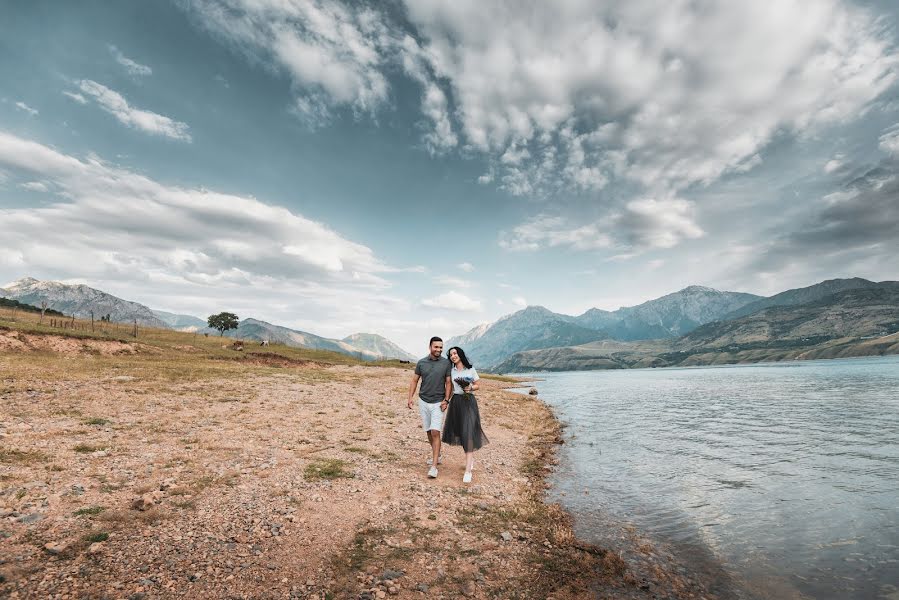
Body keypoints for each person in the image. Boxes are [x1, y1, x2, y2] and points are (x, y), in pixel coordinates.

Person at [442, 346, 488, 483]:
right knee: (461, 433)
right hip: (456, 403)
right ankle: (470, 458)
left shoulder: (470, 369)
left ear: (460, 354)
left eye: (455, 353)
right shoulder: (451, 371)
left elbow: (478, 385)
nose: (453, 356)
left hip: (469, 403)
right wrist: (446, 401)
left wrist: (470, 388)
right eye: (451, 355)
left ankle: (468, 471)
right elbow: (450, 390)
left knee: (468, 432)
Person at [407, 336, 452, 478]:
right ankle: (437, 455)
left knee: (435, 432)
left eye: (440, 347)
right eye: (436, 347)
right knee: (428, 431)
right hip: (423, 401)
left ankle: (433, 467)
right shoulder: (421, 363)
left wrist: (446, 400)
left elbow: (449, 383)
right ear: (430, 347)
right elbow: (414, 380)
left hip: (438, 403)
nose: (439, 349)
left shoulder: (446, 363)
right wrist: (410, 398)